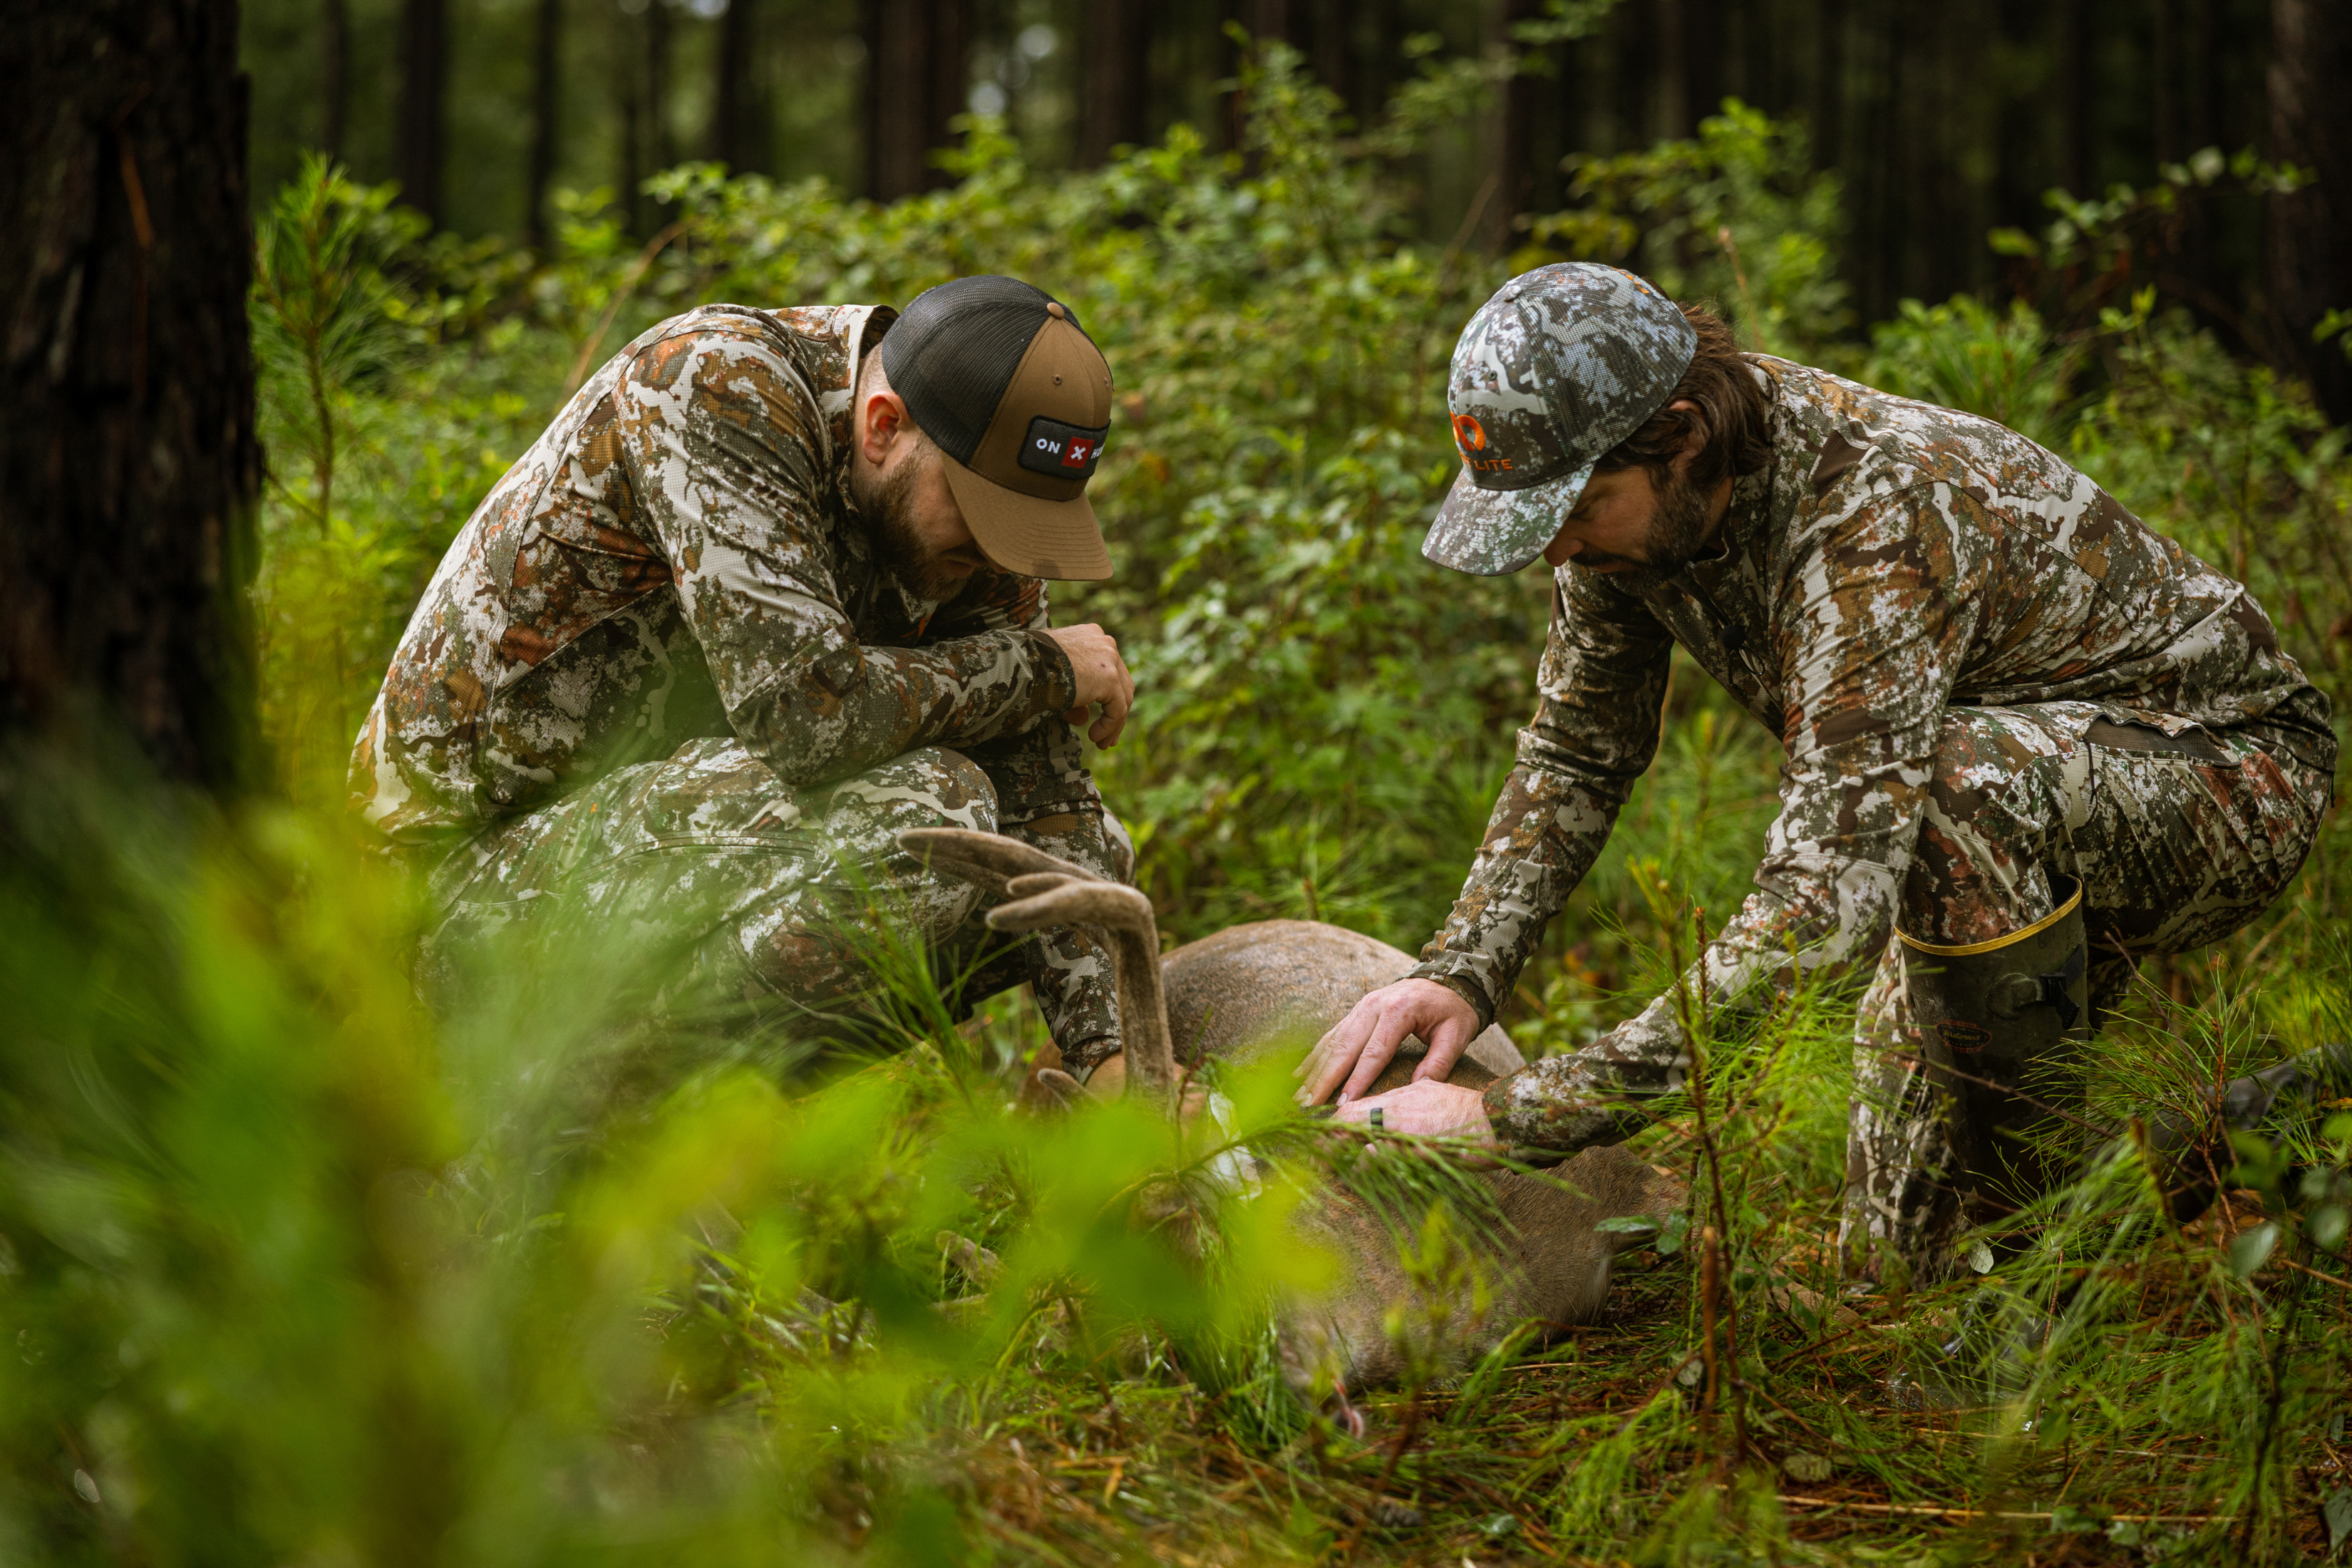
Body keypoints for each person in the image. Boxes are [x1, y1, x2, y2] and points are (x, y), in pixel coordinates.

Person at [1298, 262, 2337, 1283]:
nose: (1556, 549)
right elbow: (1580, 746)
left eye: (1577, 507)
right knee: (1898, 1277)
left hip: (2229, 772)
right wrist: (1459, 970)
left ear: (1683, 439)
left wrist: (1513, 1117)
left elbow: (1829, 904)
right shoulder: (1626, 525)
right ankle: (2247, 1125)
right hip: (1998, 817)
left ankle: (2043, 1273)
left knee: (1957, 792)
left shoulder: (1872, 516)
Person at [351, 275, 1142, 1076]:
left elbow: (1046, 794)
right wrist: (1039, 666)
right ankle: (558, 1124)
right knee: (941, 815)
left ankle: (699, 1137)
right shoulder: (718, 383)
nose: (997, 556)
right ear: (882, 427)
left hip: (637, 856)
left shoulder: (961, 506)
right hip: (439, 898)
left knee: (1074, 865)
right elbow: (806, 717)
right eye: (980, 517)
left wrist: (1108, 1054)